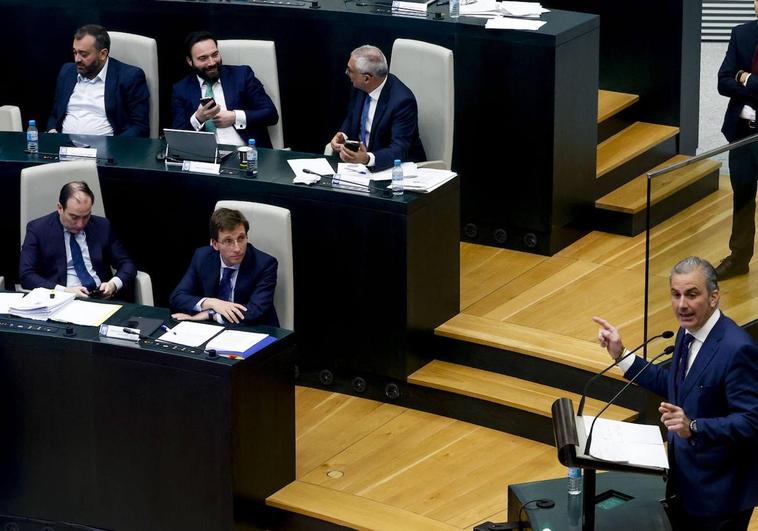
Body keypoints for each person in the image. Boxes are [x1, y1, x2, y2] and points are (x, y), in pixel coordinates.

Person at [593, 256, 758, 531]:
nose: (682, 305)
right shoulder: (687, 332)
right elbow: (676, 386)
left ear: (714, 297)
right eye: (676, 294)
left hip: (721, 494)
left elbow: (751, 421)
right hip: (686, 482)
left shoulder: (737, 349)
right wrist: (621, 355)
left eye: (692, 295)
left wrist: (692, 426)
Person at [19, 181, 137, 298]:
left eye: (86, 216)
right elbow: (26, 275)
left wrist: (113, 284)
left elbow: (127, 264)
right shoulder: (38, 230)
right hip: (63, 300)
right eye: (74, 217)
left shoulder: (102, 226)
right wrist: (63, 291)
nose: (80, 224)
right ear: (60, 208)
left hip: (102, 299)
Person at [170, 208, 279, 326]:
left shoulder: (265, 264)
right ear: (215, 244)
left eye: (241, 238)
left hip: (254, 330)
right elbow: (177, 298)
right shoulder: (202, 257)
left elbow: (254, 311)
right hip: (213, 331)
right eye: (228, 241)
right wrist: (212, 303)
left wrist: (211, 314)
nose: (237, 248)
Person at [171, 31, 278, 148]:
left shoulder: (242, 76)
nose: (211, 63)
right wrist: (198, 118)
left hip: (246, 154)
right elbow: (177, 135)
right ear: (190, 61)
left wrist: (235, 117)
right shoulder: (181, 89)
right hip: (205, 158)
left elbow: (270, 114)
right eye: (203, 58)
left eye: (215, 54)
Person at [329, 45, 426, 171]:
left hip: (394, 170)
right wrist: (343, 134)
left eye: (350, 70)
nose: (346, 73)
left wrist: (367, 158)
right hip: (359, 169)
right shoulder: (359, 87)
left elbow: (399, 149)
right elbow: (352, 116)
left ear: (367, 78)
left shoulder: (402, 101)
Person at [716, 3, 758, 280]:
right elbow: (722, 82)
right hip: (743, 132)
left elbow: (737, 80)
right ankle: (739, 258)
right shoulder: (741, 34)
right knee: (742, 196)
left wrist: (748, 79)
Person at [47, 24, 150, 137]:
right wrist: (53, 134)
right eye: (75, 52)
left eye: (83, 54)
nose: (77, 59)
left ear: (103, 54)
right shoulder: (67, 72)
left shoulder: (129, 77)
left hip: (107, 150)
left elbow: (140, 127)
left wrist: (114, 147)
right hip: (65, 148)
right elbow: (55, 114)